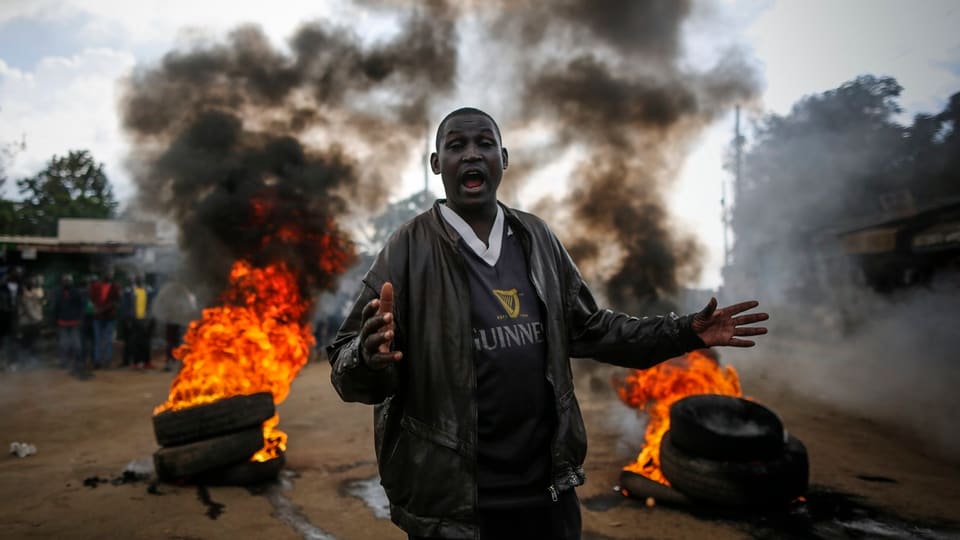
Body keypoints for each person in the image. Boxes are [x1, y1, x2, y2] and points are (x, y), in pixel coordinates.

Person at [327, 108, 770, 540]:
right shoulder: (408, 247)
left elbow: (594, 329)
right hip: (455, 503)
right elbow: (347, 364)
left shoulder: (537, 238)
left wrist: (685, 331)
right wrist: (367, 356)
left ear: (504, 158)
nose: (472, 154)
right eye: (456, 145)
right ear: (436, 163)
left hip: (547, 494)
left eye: (485, 143)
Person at [52, 274, 88, 379]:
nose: (66, 282)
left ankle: (78, 363)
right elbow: (56, 308)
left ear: (71, 282)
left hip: (74, 322)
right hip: (62, 322)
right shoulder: (58, 293)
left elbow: (81, 306)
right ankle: (64, 362)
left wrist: (80, 318)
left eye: (68, 281)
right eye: (65, 281)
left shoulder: (76, 292)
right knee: (63, 345)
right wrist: (55, 321)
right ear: (62, 282)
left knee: (77, 345)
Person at [89, 269, 120, 369]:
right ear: (103, 275)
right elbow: (92, 298)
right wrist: (96, 308)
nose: (109, 275)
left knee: (108, 340)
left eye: (111, 273)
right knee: (98, 340)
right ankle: (97, 361)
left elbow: (116, 300)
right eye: (107, 273)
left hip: (109, 317)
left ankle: (107, 361)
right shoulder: (96, 286)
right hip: (98, 317)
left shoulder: (115, 286)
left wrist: (102, 309)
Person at [17, 275, 46, 366]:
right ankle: (25, 361)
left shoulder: (34, 294)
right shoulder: (24, 296)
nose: (33, 285)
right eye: (32, 284)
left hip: (33, 322)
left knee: (34, 341)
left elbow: (41, 302)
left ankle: (33, 360)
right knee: (27, 342)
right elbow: (29, 310)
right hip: (28, 322)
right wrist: (39, 318)